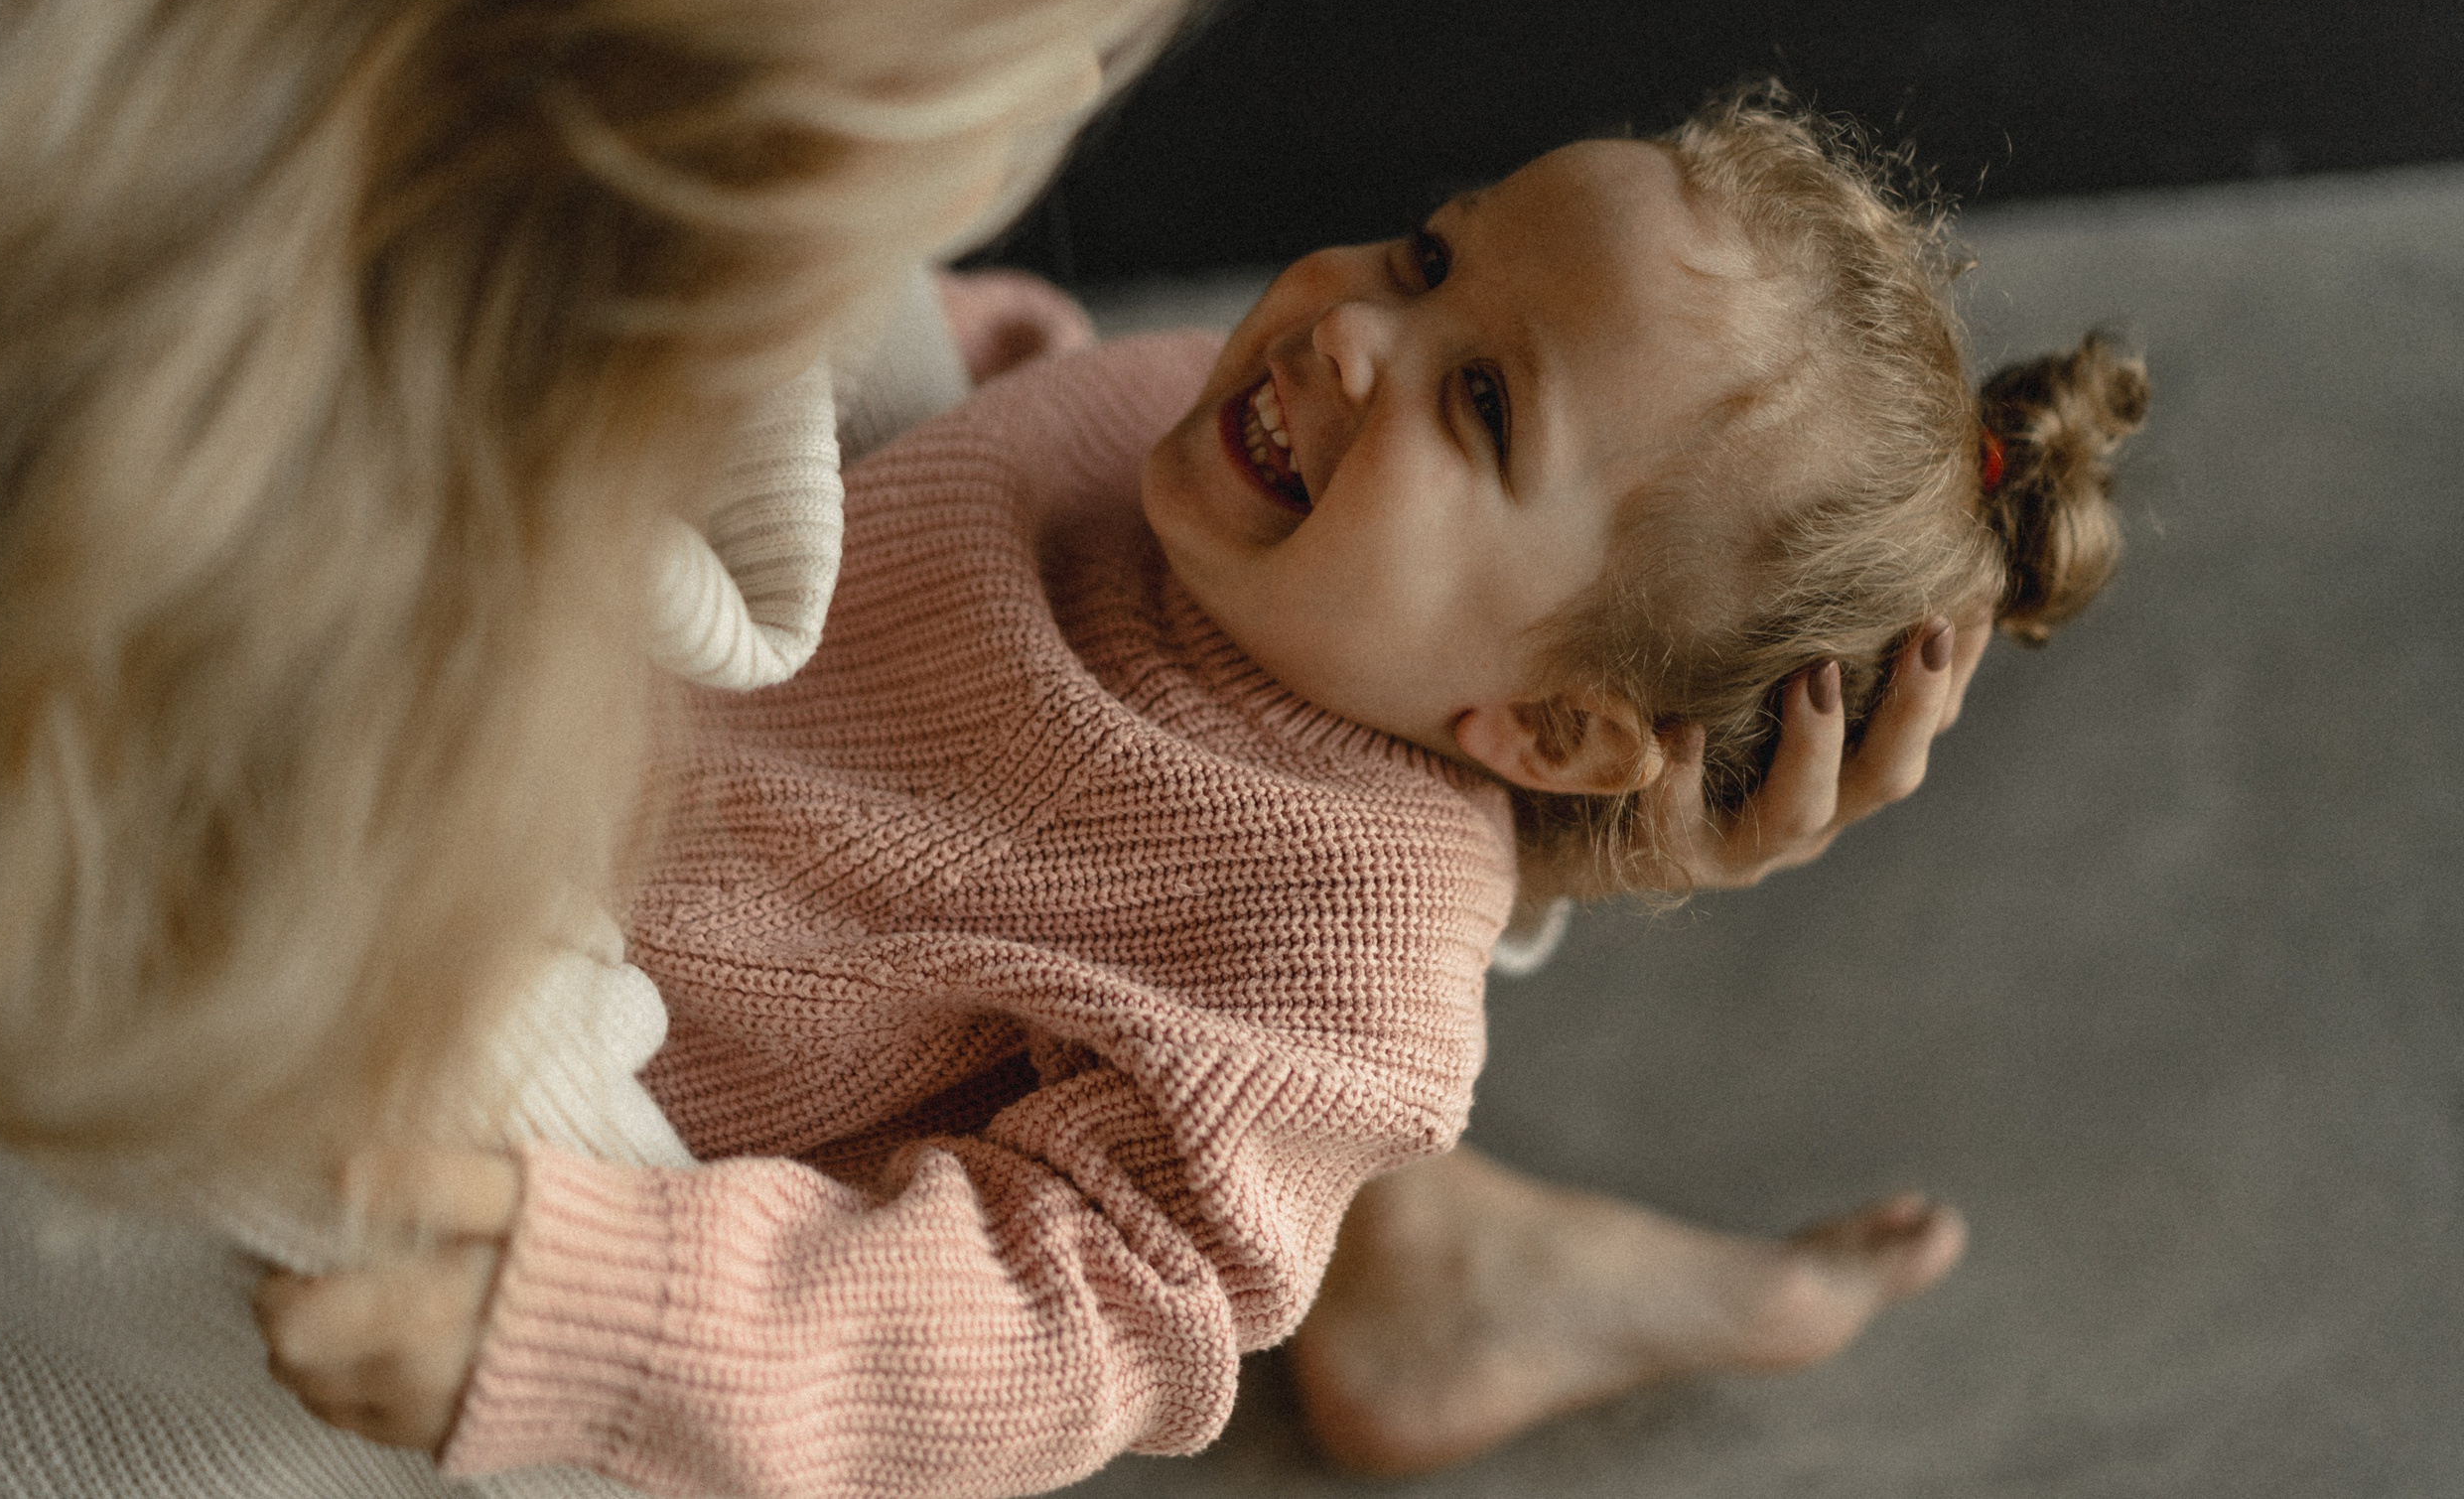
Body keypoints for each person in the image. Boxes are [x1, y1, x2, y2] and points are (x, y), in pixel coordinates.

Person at [256, 91, 2146, 1498]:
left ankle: (1418, 1264)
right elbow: (979, 405)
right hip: (528, 742)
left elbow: (1073, 1313)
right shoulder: (1198, 429)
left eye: (1484, 405)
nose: (1352, 331)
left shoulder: (1347, 943)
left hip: (596, 1123)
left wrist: (626, 1312)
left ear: (1560, 734)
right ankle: (1429, 1277)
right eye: (1431, 255)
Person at [0, 0, 1322, 1493]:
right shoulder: (334, 928)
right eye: (1048, 22)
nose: (1072, 89)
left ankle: (1385, 1203)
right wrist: (626, 1313)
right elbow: (680, 1410)